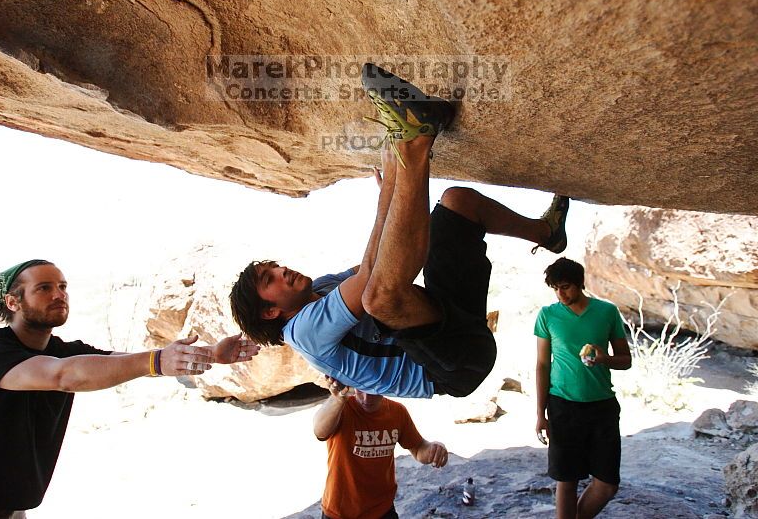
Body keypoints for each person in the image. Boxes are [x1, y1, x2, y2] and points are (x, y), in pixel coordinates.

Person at [230, 63, 570, 398]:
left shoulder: (322, 288)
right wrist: (394, 174)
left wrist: (391, 184)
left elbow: (381, 260)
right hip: (451, 368)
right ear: (271, 312)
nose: (280, 270)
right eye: (268, 279)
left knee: (458, 203)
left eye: (272, 267)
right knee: (377, 298)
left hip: (447, 314)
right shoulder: (303, 332)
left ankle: (547, 233)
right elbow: (371, 279)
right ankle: (418, 137)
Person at [0, 259, 260, 518]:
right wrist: (157, 360)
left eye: (62, 286)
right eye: (44, 288)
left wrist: (212, 354)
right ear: (13, 302)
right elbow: (63, 376)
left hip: (6, 508)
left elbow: (122, 362)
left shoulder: (63, 350)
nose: (59, 295)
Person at [534, 257, 632, 519]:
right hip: (562, 405)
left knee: (608, 484)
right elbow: (542, 365)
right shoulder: (547, 315)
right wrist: (540, 415)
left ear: (579, 284)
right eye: (555, 288)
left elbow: (626, 360)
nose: (560, 293)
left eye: (565, 286)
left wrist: (605, 359)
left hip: (602, 406)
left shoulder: (607, 312)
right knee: (566, 480)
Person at [313, 377, 448, 519]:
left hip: (382, 509)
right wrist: (338, 399)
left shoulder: (397, 411)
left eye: (373, 390)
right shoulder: (342, 408)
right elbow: (319, 431)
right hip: (340, 511)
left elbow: (418, 448)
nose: (366, 398)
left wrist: (435, 450)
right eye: (361, 389)